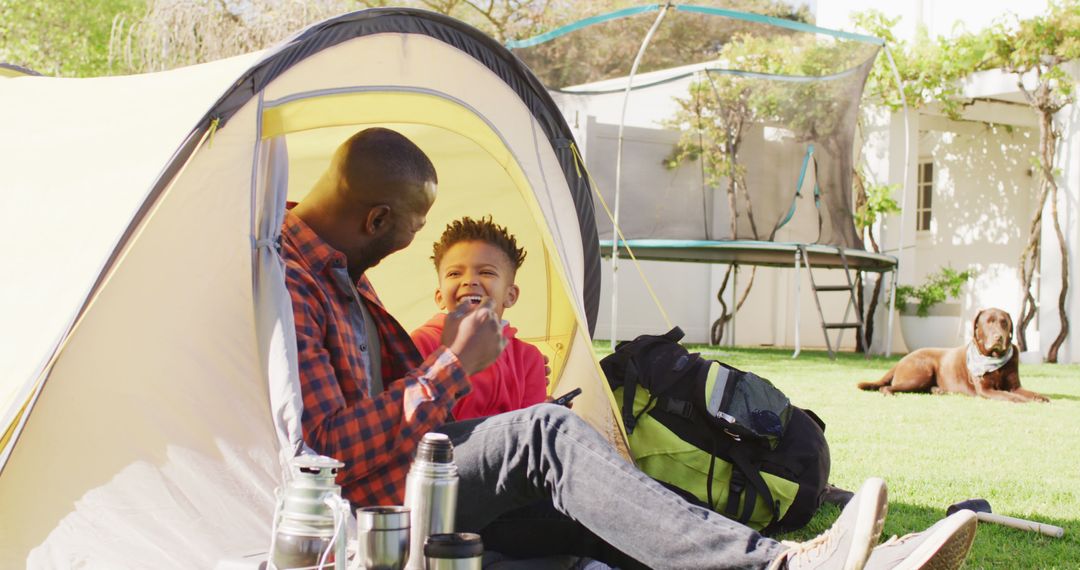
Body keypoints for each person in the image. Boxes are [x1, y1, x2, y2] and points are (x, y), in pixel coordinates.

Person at [281, 127, 977, 569]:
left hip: (421, 470)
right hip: (365, 501)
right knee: (544, 437)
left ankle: (826, 561)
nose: (412, 242)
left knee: (594, 499)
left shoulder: (343, 271)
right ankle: (782, 569)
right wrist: (453, 365)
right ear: (377, 218)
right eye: (413, 228)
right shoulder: (293, 283)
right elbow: (324, 451)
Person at [411, 216, 548, 420]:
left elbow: (527, 428)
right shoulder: (421, 342)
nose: (469, 281)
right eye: (455, 274)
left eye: (486, 272)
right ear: (440, 297)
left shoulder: (528, 358)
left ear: (510, 296)